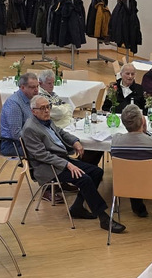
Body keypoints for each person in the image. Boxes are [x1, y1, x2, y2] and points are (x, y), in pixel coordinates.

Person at [21, 96, 125, 233]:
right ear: (33, 111)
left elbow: (61, 133)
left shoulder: (45, 121)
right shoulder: (30, 129)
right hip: (48, 167)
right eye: (42, 108)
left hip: (61, 160)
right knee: (84, 179)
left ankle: (77, 207)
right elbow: (41, 155)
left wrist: (75, 141)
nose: (46, 110)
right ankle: (104, 218)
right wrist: (67, 164)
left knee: (97, 172)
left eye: (48, 107)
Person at [110, 103, 152, 218]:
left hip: (125, 184)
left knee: (132, 171)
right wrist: (145, 132)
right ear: (143, 121)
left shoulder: (116, 140)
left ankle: (138, 209)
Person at [0, 72, 40, 156]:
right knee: (48, 151)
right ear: (22, 87)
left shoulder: (31, 99)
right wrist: (39, 137)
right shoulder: (14, 104)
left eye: (37, 86)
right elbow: (17, 134)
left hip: (27, 140)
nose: (36, 90)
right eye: (32, 87)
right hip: (13, 144)